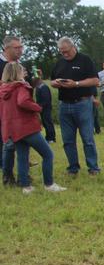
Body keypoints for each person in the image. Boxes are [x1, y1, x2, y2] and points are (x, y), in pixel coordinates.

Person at [1, 62, 66, 194]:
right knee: (48, 154)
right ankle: (49, 184)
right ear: (17, 73)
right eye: (22, 71)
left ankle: (26, 187)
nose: (25, 73)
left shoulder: (3, 90)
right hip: (26, 127)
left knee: (22, 157)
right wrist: (37, 107)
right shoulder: (21, 87)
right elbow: (23, 101)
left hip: (12, 130)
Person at [50, 37, 101, 176]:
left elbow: (95, 80)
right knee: (67, 139)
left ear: (74, 47)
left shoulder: (85, 60)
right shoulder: (59, 63)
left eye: (67, 51)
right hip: (64, 105)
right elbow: (52, 81)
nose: (65, 54)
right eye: (62, 52)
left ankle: (93, 167)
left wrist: (76, 84)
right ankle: (73, 167)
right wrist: (57, 83)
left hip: (83, 103)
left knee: (87, 138)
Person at [1, 35, 24, 185]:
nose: (20, 50)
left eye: (21, 47)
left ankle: (16, 175)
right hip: (4, 111)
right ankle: (8, 176)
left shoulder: (17, 63)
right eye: (17, 48)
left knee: (14, 143)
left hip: (17, 112)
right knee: (8, 144)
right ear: (6, 48)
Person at [32, 74, 56, 143]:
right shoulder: (38, 87)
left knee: (48, 122)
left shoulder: (43, 87)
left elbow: (46, 100)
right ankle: (48, 137)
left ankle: (51, 138)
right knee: (45, 123)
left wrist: (39, 107)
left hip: (46, 108)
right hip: (42, 108)